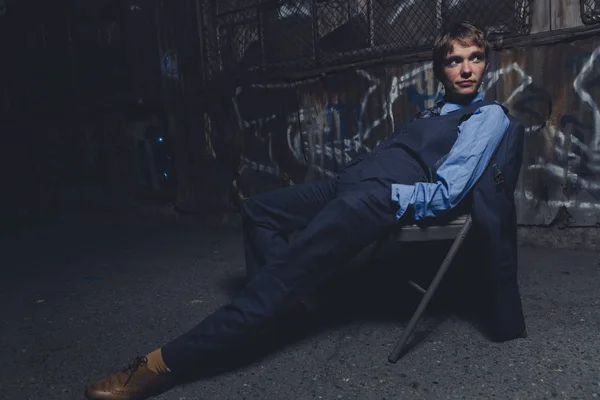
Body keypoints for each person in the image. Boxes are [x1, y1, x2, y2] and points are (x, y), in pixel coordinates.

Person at [85, 21, 526, 400]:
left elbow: (448, 191)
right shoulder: (437, 110)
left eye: (475, 58)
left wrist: (394, 198)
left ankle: (162, 364)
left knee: (279, 278)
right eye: (455, 60)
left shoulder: (488, 117)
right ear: (440, 69)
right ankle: (282, 308)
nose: (466, 68)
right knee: (259, 210)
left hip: (377, 199)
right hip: (350, 183)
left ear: (486, 63)